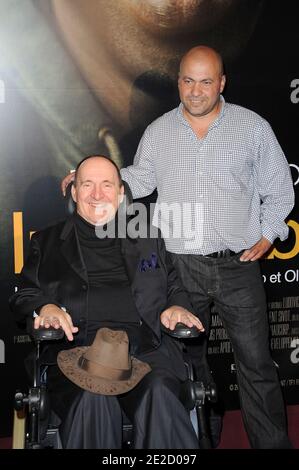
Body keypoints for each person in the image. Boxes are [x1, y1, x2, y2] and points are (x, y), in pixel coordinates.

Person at [62, 46, 295, 449]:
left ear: (222, 83)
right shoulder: (159, 131)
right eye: (188, 80)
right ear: (179, 82)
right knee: (190, 366)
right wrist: (95, 181)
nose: (197, 91)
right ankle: (200, 442)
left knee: (257, 367)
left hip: (238, 265)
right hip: (180, 267)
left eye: (206, 81)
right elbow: (141, 179)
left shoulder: (253, 127)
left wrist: (269, 232)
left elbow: (279, 189)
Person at [10, 155, 204, 449]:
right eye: (87, 185)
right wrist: (46, 307)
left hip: (145, 353)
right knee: (93, 396)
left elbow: (174, 286)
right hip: (78, 354)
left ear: (122, 193)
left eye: (107, 185)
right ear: (74, 192)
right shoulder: (47, 241)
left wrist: (175, 306)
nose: (97, 194)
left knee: (161, 393)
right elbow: (24, 292)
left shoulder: (148, 236)